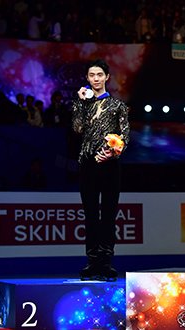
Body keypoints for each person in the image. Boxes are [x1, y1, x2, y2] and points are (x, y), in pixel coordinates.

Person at [71, 59, 130, 281]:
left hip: (110, 166)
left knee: (108, 215)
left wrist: (113, 152)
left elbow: (125, 137)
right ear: (87, 79)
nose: (95, 79)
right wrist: (82, 103)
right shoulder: (80, 104)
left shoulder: (118, 106)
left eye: (99, 75)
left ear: (107, 77)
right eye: (91, 75)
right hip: (87, 165)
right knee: (90, 216)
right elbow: (77, 129)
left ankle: (106, 263)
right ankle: (92, 262)